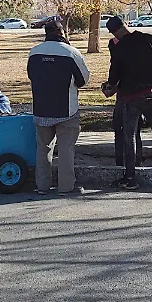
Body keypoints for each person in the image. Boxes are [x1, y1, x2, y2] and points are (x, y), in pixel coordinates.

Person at [104, 15, 152, 189]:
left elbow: (114, 76)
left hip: (130, 97)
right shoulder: (149, 39)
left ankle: (130, 177)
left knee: (129, 136)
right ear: (126, 24)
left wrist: (109, 87)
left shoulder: (119, 49)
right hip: (151, 93)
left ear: (114, 32)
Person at [27, 19, 90, 194]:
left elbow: (31, 76)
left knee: (43, 149)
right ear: (62, 32)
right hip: (66, 109)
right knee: (66, 150)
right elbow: (83, 79)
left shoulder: (34, 52)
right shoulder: (71, 53)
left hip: (41, 109)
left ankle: (42, 186)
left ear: (46, 33)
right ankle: (66, 186)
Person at [106, 25, 145, 171]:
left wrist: (113, 85)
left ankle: (134, 162)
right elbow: (115, 71)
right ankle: (122, 161)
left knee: (132, 129)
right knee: (121, 128)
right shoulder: (115, 45)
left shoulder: (136, 45)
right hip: (123, 92)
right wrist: (112, 85)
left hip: (134, 93)